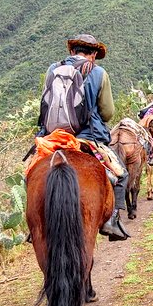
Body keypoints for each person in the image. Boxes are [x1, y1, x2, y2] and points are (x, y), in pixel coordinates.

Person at [37, 34, 131, 240]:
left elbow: (45, 104)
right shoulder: (98, 73)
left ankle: (33, 224)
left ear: (72, 51)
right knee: (121, 175)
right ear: (94, 54)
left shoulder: (53, 70)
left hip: (55, 138)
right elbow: (107, 113)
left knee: (32, 174)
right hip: (87, 138)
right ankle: (111, 221)